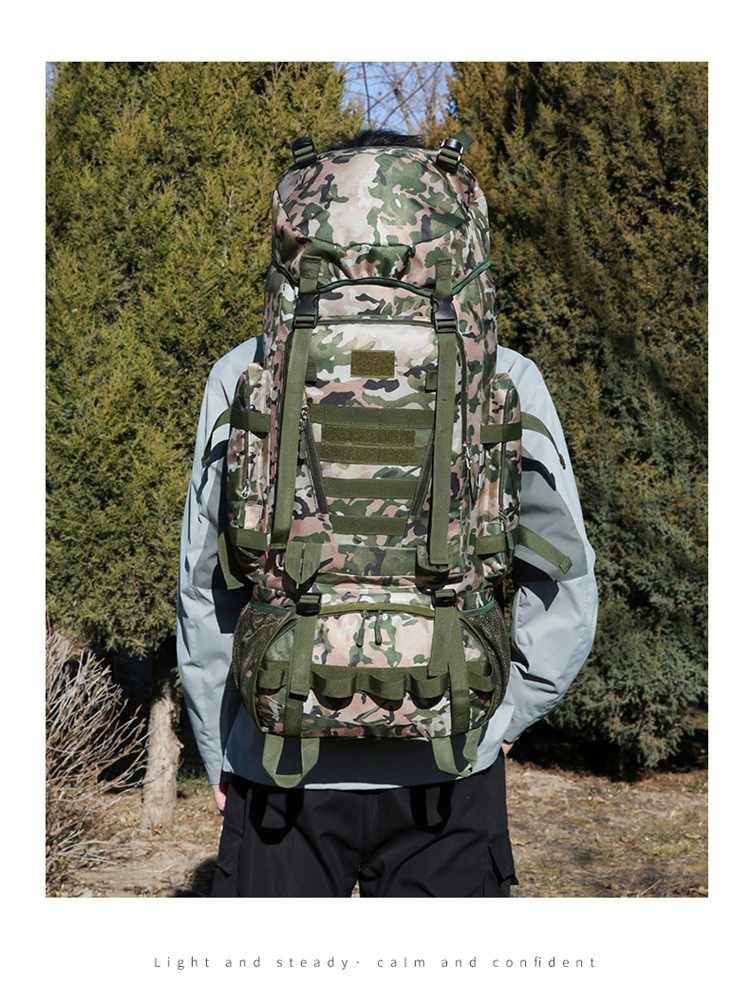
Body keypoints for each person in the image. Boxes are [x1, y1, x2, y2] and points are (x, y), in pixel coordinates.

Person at [177, 130, 597, 897]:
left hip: (279, 761)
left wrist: (220, 744)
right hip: (450, 754)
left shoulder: (243, 374)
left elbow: (205, 587)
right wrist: (505, 714)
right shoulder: (504, 378)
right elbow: (566, 579)